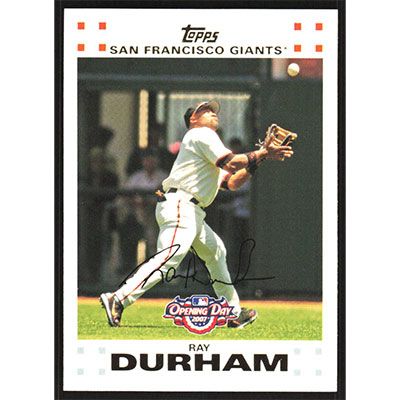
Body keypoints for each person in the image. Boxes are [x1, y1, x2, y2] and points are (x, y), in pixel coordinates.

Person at [100, 100, 294, 328]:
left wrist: (260, 158)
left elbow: (232, 182)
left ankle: (231, 312)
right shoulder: (200, 134)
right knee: (170, 258)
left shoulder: (207, 148)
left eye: (214, 111)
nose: (213, 113)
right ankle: (118, 298)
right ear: (193, 119)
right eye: (206, 111)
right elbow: (232, 163)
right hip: (181, 204)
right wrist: (262, 152)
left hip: (191, 210)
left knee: (216, 251)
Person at [118, 148, 168, 272]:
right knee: (127, 228)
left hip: (155, 215)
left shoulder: (163, 177)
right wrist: (135, 201)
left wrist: (152, 198)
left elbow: (163, 194)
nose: (149, 162)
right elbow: (125, 194)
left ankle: (156, 269)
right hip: (136, 214)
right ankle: (128, 265)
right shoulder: (137, 178)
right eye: (146, 159)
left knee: (153, 239)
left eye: (152, 159)